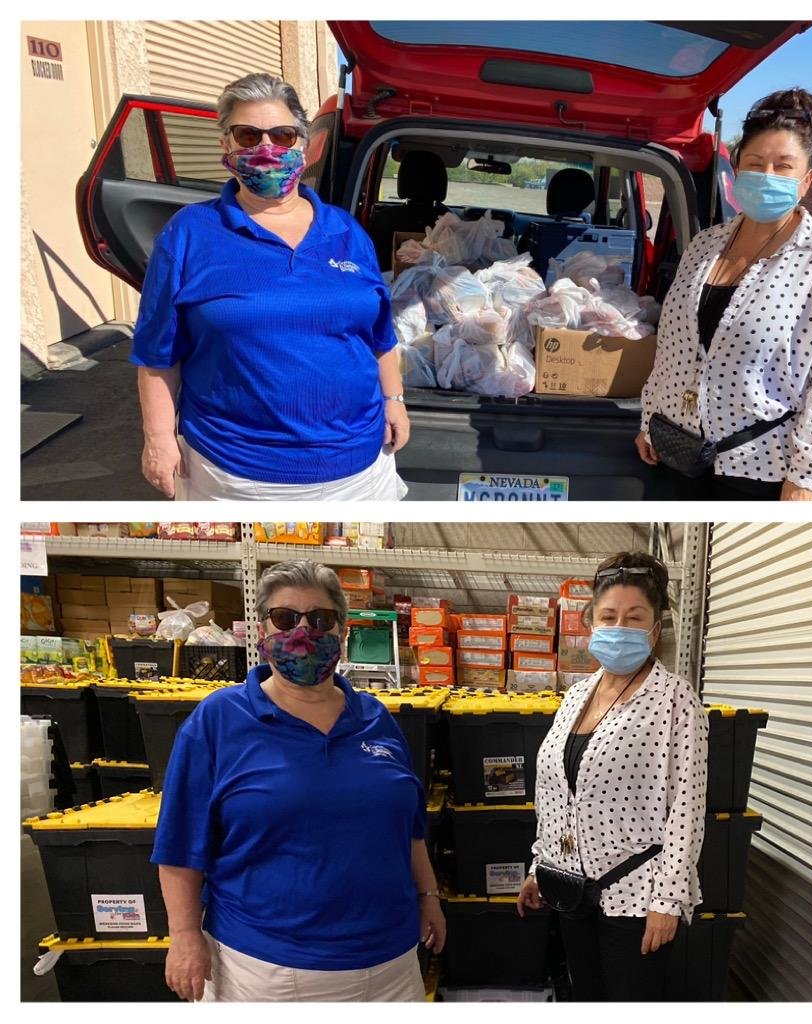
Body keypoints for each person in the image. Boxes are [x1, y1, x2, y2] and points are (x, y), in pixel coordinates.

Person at [153, 559, 444, 1002]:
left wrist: (428, 896)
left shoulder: (375, 718)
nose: (303, 632)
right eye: (286, 618)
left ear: (342, 632)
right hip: (266, 971)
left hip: (391, 963)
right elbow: (180, 841)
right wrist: (184, 935)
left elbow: (408, 828)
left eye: (321, 619)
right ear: (262, 631)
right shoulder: (218, 720)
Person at [131, 72, 409, 500]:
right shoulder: (189, 233)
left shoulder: (346, 231)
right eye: (248, 135)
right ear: (225, 145)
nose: (266, 149)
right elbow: (156, 353)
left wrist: (394, 400)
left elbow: (380, 336)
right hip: (237, 475)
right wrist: (158, 438)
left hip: (361, 468)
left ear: (304, 145)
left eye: (282, 135)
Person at [636, 87, 812, 501]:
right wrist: (650, 418)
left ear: (806, 179)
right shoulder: (705, 244)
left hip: (757, 466)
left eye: (783, 166)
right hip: (676, 449)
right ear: (736, 169)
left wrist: (806, 478)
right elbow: (671, 348)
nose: (766, 175)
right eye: (755, 163)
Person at [517, 552, 708, 1001]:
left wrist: (668, 901)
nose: (619, 627)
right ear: (591, 622)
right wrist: (540, 868)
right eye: (609, 616)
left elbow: (688, 807)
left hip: (637, 899)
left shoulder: (675, 700)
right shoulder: (576, 695)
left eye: (634, 617)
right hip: (572, 892)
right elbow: (556, 793)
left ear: (655, 628)